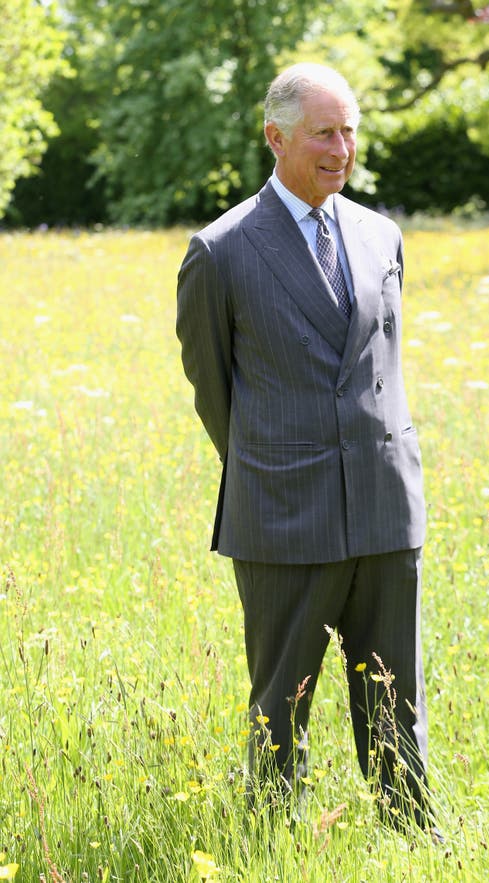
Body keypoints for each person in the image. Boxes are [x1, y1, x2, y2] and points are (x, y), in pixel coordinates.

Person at [176, 62, 441, 840]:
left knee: (395, 696)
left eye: (349, 131)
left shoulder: (382, 235)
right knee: (279, 706)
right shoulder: (220, 251)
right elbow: (214, 392)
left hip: (386, 505)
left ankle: (410, 835)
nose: (341, 148)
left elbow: (383, 367)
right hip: (283, 513)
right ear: (276, 137)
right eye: (324, 132)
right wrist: (276, 464)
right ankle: (269, 841)